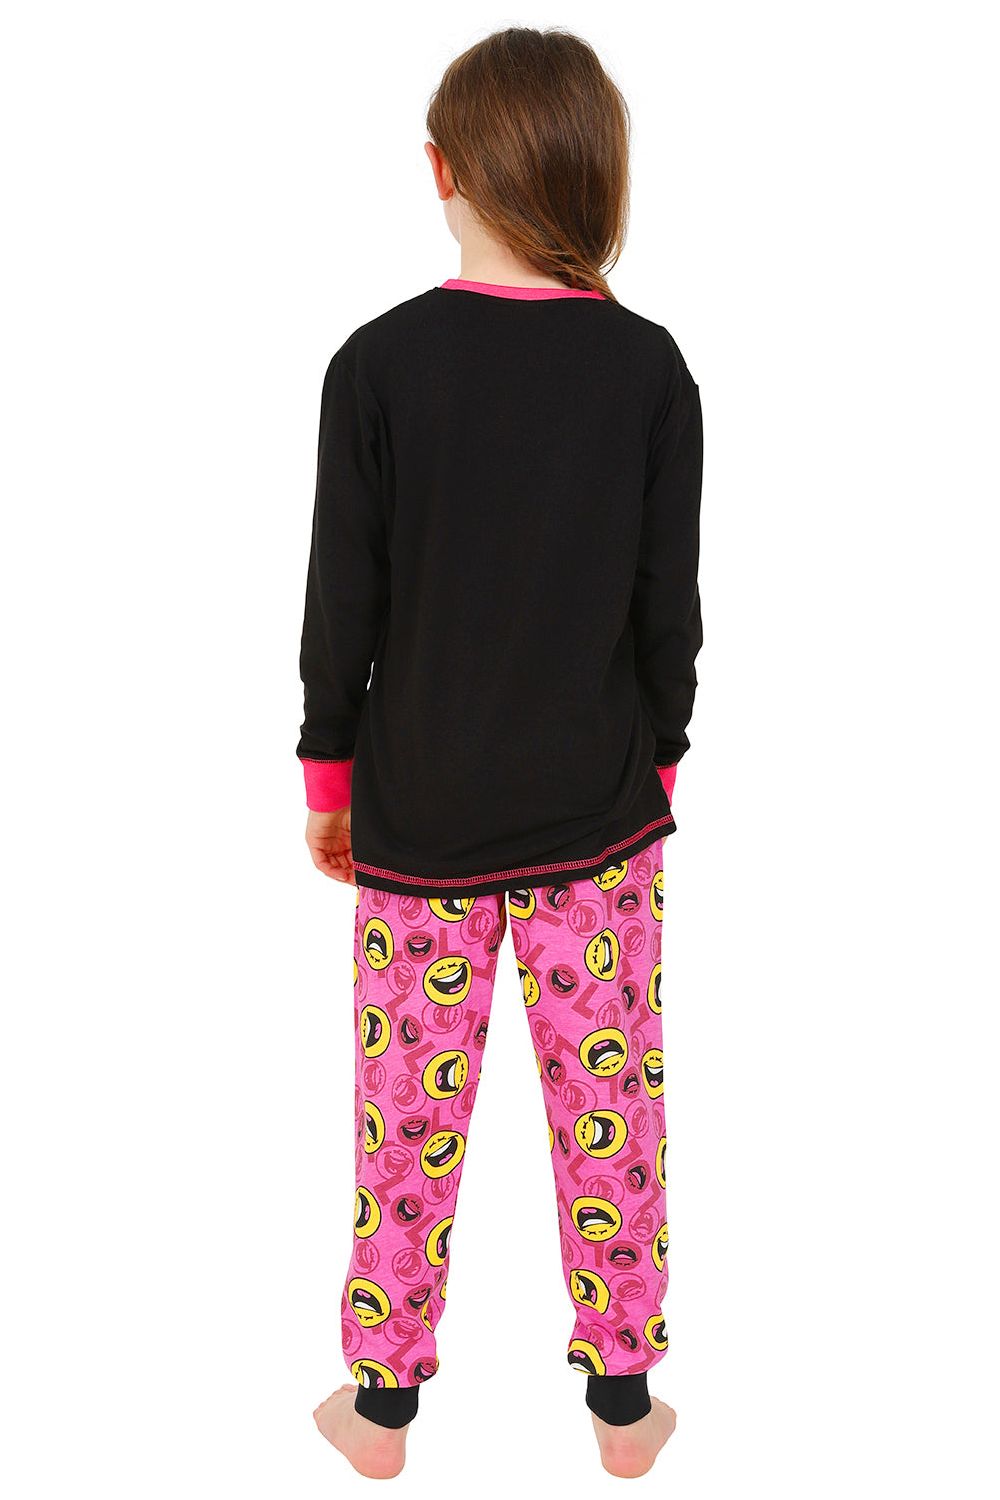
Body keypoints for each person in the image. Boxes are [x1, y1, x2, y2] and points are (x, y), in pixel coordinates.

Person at [298, 26, 703, 1480]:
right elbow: (669, 610)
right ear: (599, 174)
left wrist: (330, 780)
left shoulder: (377, 366)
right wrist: (660, 764)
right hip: (600, 823)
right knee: (612, 1116)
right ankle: (624, 1410)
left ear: (441, 171)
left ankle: (381, 1413)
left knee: (407, 1129)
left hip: (417, 825)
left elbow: (343, 604)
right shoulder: (648, 369)